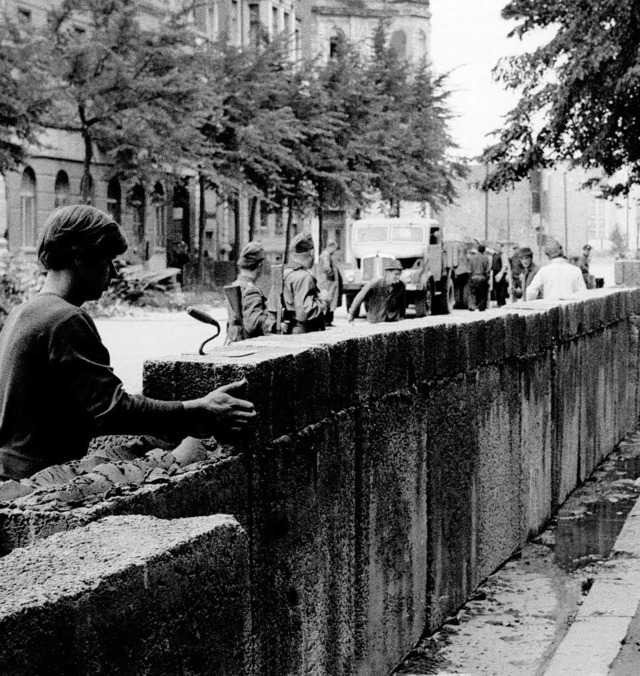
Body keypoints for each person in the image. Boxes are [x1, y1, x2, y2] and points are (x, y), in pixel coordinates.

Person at [0, 205, 256, 481]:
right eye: (107, 260)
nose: (114, 273)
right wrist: (200, 408)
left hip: (11, 474)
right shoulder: (65, 319)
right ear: (80, 257)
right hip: (37, 481)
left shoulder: (23, 312)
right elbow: (111, 410)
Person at [225, 241, 276, 344]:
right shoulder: (251, 290)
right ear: (260, 264)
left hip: (236, 342)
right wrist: (273, 320)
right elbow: (254, 324)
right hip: (248, 346)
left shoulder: (236, 285)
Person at [281, 232, 328, 334]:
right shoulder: (304, 277)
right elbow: (306, 313)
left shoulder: (285, 273)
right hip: (303, 333)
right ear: (311, 253)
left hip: (287, 332)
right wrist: (323, 302)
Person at [347, 259, 406, 324]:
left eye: (399, 275)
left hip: (393, 320)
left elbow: (402, 303)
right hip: (376, 320)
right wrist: (351, 313)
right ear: (388, 272)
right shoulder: (375, 284)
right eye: (396, 274)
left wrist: (402, 316)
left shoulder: (401, 286)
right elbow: (360, 297)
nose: (398, 277)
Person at [315, 240, 342, 327]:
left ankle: (327, 320)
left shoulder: (325, 255)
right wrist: (331, 275)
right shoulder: (326, 255)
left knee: (328, 301)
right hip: (328, 283)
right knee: (328, 301)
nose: (335, 251)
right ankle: (327, 320)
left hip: (327, 282)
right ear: (331, 247)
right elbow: (326, 267)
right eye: (334, 248)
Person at [468, 244, 490, 311]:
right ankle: (481, 307)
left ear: (477, 250)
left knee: (473, 293)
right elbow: (487, 269)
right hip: (482, 277)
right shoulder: (485, 258)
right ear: (484, 251)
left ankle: (472, 306)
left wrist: (471, 276)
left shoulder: (472, 258)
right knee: (482, 293)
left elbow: (469, 270)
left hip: (473, 277)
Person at [490, 242, 509, 307]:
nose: (497, 247)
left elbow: (504, 265)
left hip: (500, 272)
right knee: (496, 288)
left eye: (499, 246)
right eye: (496, 246)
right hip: (494, 272)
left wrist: (500, 274)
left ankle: (501, 302)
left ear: (501, 247)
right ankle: (498, 302)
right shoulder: (494, 254)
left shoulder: (503, 254)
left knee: (501, 288)